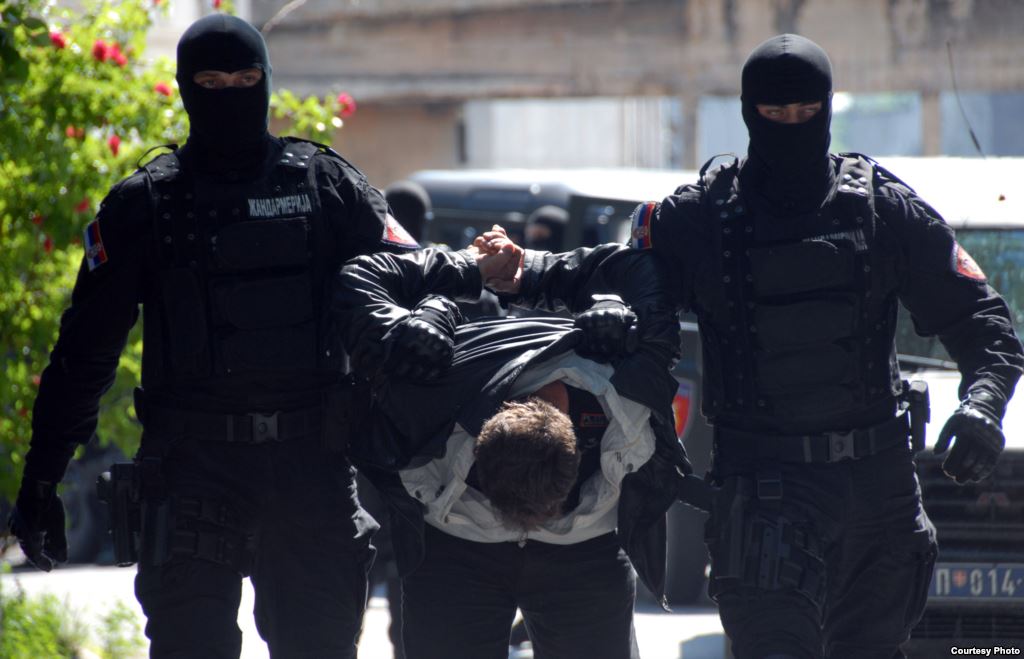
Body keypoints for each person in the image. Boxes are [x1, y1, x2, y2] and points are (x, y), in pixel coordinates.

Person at [480, 33, 1024, 659]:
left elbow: (984, 322)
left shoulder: (880, 209)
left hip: (875, 493)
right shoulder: (704, 216)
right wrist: (523, 270)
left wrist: (983, 405)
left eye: (806, 111)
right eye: (775, 112)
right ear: (749, 112)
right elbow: (613, 272)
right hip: (765, 492)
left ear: (826, 107)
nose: (792, 124)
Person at [5, 14, 432, 659]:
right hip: (191, 473)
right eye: (210, 82)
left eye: (245, 79)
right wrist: (42, 480)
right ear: (185, 88)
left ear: (267, 81)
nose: (229, 93)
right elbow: (84, 353)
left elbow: (416, 284)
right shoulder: (145, 204)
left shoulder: (327, 184)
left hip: (311, 468)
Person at [332, 243, 699, 659]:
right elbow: (359, 275)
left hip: (583, 549)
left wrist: (523, 270)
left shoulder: (632, 382)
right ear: (474, 452)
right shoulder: (420, 403)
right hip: (457, 544)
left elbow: (640, 264)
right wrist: (468, 272)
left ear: (579, 455)